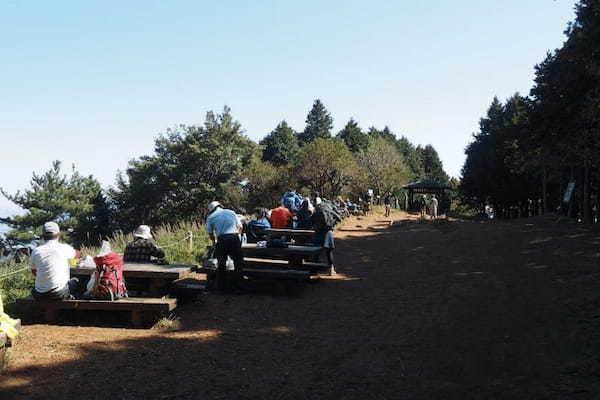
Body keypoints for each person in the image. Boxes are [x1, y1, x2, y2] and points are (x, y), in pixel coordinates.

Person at [30, 221, 81, 300]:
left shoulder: (36, 251)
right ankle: (73, 308)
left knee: (36, 289)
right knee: (76, 281)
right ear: (58, 234)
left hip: (38, 294)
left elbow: (34, 271)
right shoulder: (65, 248)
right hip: (58, 293)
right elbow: (77, 254)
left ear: (43, 235)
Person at [206, 201, 244, 292]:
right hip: (234, 238)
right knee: (238, 263)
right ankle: (239, 287)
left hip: (222, 239)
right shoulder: (231, 212)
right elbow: (240, 227)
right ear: (220, 206)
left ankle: (222, 288)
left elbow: (210, 233)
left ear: (211, 210)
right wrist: (237, 236)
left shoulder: (211, 217)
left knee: (221, 264)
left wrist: (214, 241)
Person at [311, 203, 336, 276]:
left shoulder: (316, 213)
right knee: (328, 252)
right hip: (328, 233)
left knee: (316, 253)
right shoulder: (329, 211)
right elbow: (338, 218)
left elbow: (311, 221)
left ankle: (314, 270)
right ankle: (331, 269)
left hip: (318, 234)